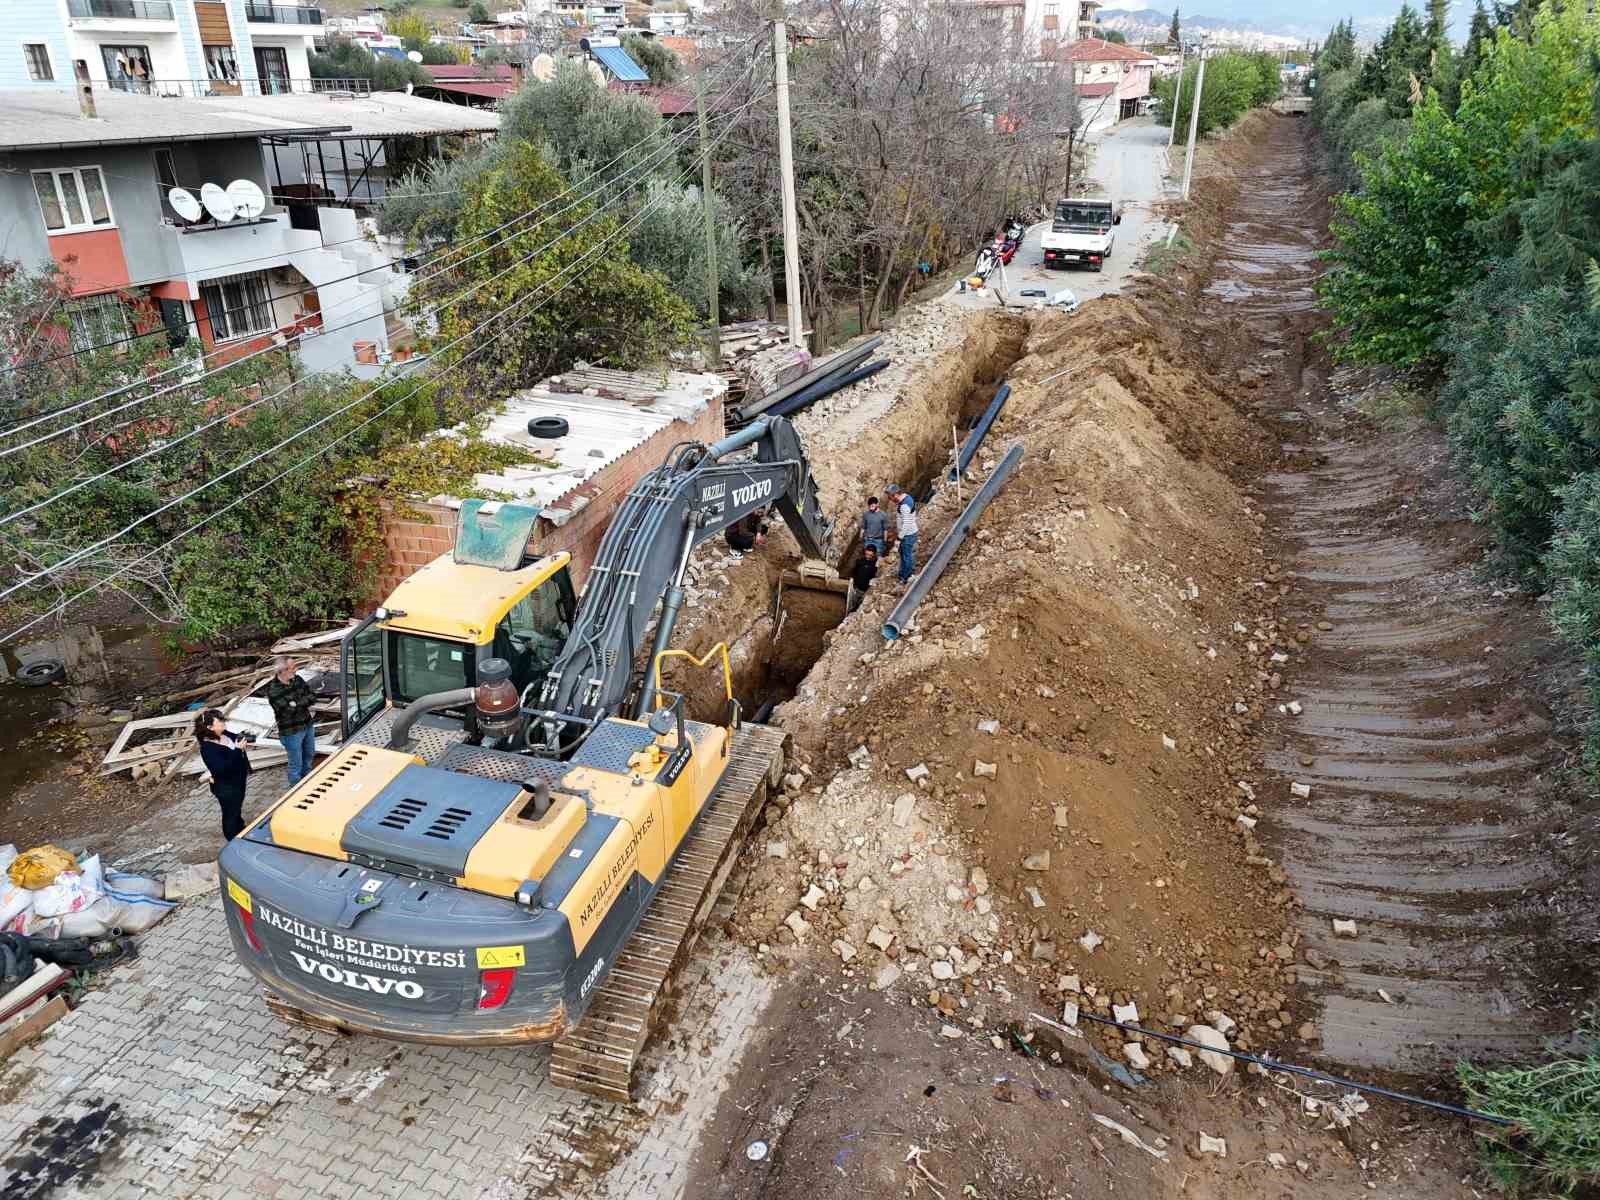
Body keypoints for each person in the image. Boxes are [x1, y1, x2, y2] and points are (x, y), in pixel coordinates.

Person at [194, 709, 253, 841]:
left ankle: (240, 828)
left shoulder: (223, 733)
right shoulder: (208, 749)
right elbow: (222, 769)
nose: (223, 723)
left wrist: (243, 739)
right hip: (226, 787)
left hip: (238, 780)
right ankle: (233, 839)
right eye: (219, 722)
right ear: (210, 727)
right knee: (230, 814)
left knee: (237, 807)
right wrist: (237, 750)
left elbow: (235, 739)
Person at [265, 656, 317, 787]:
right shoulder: (273, 691)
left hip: (307, 724)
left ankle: (307, 782)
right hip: (292, 732)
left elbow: (312, 696)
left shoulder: (297, 679)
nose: (296, 669)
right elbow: (288, 712)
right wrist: (302, 703)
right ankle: (296, 788)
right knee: (296, 763)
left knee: (309, 755)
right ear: (282, 671)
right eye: (293, 667)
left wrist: (296, 703)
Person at [885, 484, 919, 584]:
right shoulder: (906, 498)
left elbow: (906, 524)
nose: (890, 499)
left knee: (906, 555)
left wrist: (899, 538)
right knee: (904, 554)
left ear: (895, 495)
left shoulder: (904, 505)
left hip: (907, 535)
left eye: (890, 497)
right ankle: (903, 573)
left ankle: (906, 576)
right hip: (907, 533)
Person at [847, 544, 878, 612]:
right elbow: (854, 572)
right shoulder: (860, 561)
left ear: (874, 554)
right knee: (852, 604)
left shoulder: (875, 565)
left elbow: (874, 577)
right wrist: (852, 583)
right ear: (865, 552)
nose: (868, 556)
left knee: (860, 606)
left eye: (870, 555)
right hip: (856, 588)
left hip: (865, 590)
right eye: (867, 554)